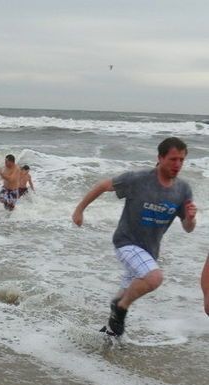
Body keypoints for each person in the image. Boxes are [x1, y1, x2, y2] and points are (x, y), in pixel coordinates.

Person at [72, 137, 196, 336]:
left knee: (123, 298)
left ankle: (110, 333)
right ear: (160, 158)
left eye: (181, 160)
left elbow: (188, 228)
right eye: (173, 159)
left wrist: (190, 218)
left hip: (149, 251)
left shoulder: (183, 189)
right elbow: (102, 186)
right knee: (154, 278)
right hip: (126, 242)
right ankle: (121, 310)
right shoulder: (137, 180)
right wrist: (79, 211)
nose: (178, 164)